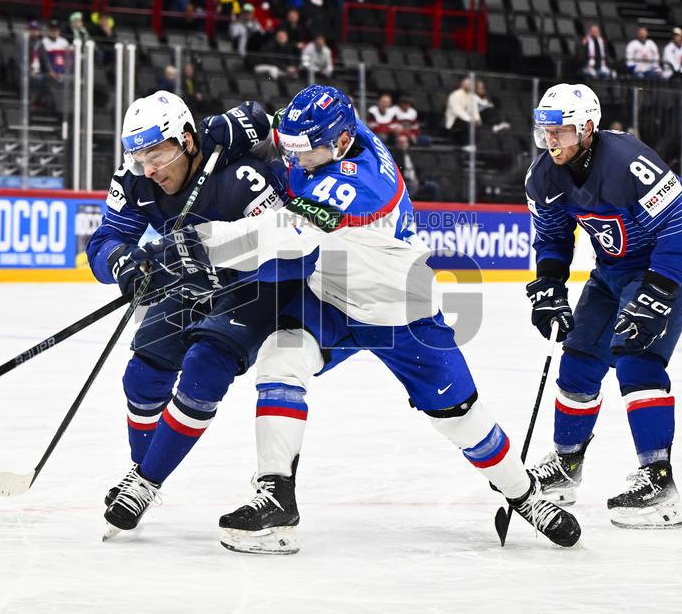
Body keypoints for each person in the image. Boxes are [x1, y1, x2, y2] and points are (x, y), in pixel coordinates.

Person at [143, 85, 582, 553]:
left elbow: (284, 232)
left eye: (305, 152)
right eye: (292, 148)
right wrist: (241, 125)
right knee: (280, 355)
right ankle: (276, 496)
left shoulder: (359, 183)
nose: (296, 159)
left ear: (342, 143)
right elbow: (276, 131)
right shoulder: (321, 133)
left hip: (398, 306)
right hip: (332, 292)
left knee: (460, 417)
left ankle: (523, 493)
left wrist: (197, 244)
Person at [86, 93, 295, 540]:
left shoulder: (243, 177)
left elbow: (290, 246)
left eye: (158, 155)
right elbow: (102, 242)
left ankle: (142, 483)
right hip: (189, 278)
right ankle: (143, 473)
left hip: (256, 286)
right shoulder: (135, 178)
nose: (150, 170)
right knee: (141, 375)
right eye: (140, 157)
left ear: (187, 139)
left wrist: (217, 256)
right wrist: (122, 262)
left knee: (205, 367)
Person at [524, 83, 682, 529]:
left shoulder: (629, 162)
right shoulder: (542, 176)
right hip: (612, 269)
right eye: (545, 131)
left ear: (587, 128)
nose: (551, 141)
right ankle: (566, 466)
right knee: (580, 359)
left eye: (561, 132)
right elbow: (551, 235)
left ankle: (658, 483)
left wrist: (657, 294)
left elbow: (679, 230)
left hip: (668, 266)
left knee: (636, 361)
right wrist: (549, 285)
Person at [445, 76, 480, 144]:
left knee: (479, 126)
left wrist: (477, 119)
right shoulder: (455, 95)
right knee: (470, 125)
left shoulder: (472, 96)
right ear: (462, 84)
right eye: (467, 83)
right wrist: (470, 120)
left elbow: (475, 110)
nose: (469, 85)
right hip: (455, 121)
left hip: (468, 121)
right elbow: (458, 111)